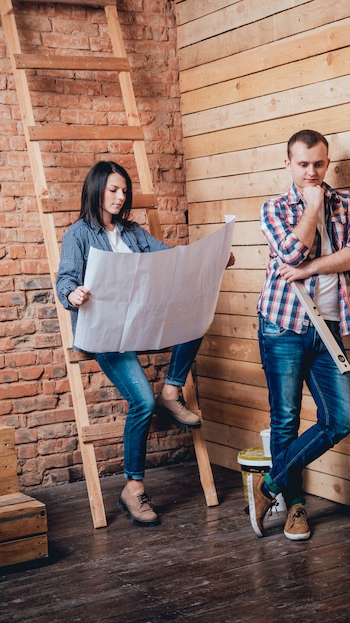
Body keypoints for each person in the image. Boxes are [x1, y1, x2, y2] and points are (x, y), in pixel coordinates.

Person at [56, 161, 233, 528]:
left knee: (196, 319)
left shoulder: (133, 233)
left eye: (124, 191)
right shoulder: (78, 235)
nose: (121, 197)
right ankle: (133, 488)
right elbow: (65, 279)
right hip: (105, 333)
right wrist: (73, 294)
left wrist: (214, 261)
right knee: (141, 401)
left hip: (141, 322)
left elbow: (172, 261)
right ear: (97, 190)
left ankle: (173, 390)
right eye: (113, 190)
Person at [250, 129, 350, 541]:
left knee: (340, 420)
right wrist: (312, 207)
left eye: (319, 164)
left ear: (328, 162)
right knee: (284, 421)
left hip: (330, 328)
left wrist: (309, 270)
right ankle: (296, 507)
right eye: (303, 164)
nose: (312, 172)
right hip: (282, 327)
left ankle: (270, 485)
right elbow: (289, 253)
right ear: (288, 164)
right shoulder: (274, 208)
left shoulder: (348, 203)